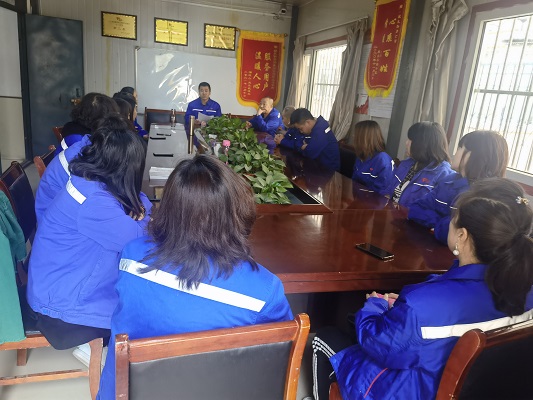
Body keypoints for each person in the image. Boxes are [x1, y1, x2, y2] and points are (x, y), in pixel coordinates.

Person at [312, 178, 533, 400]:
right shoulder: (525, 289)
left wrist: (374, 305)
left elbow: (379, 344)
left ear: (462, 235)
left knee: (325, 337)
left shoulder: (422, 305)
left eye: (453, 217)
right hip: (478, 390)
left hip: (410, 391)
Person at [96, 155, 293, 399]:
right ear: (235, 212)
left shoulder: (131, 256)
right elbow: (280, 354)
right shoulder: (264, 290)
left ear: (169, 207)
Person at [24, 114, 152, 350]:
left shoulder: (90, 180)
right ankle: (90, 350)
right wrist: (143, 214)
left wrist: (141, 210)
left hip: (60, 286)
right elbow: (140, 240)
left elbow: (139, 201)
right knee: (147, 317)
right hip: (62, 311)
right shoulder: (94, 202)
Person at [409, 130, 508, 243]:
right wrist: (440, 223)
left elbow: (458, 235)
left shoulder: (486, 195)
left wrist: (438, 226)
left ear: (475, 155)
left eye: (460, 148)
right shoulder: (448, 181)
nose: (455, 153)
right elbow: (415, 209)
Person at [383, 121, 453, 207]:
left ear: (423, 144)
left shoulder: (443, 174)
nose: (406, 143)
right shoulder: (407, 164)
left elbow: (433, 209)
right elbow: (388, 190)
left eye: (410, 140)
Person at [351, 120, 393, 194]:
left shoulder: (383, 160)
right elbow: (354, 181)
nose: (353, 136)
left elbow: (382, 193)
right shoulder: (362, 155)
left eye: (356, 134)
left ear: (364, 138)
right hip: (358, 196)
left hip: (372, 199)